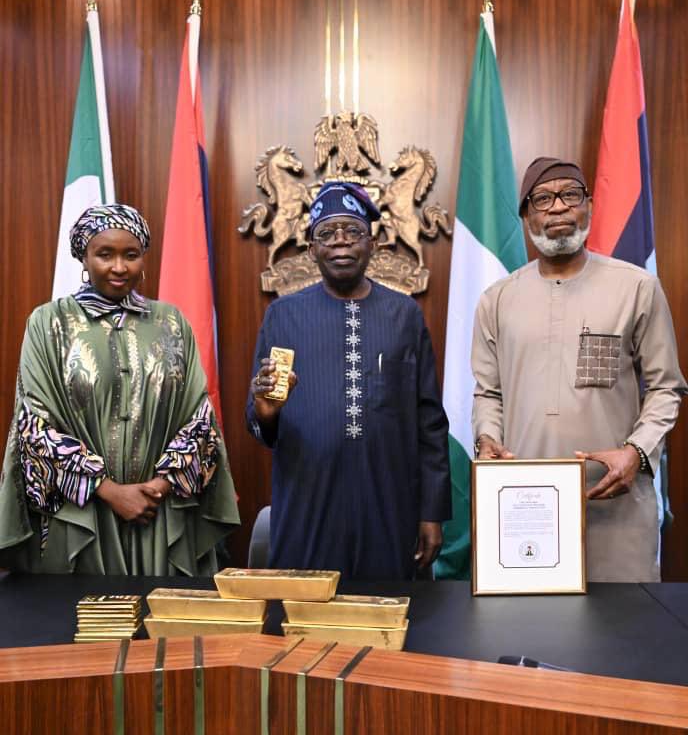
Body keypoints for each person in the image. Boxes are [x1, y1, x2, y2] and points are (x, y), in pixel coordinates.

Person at [472, 157, 687, 581]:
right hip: (525, 510)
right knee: (531, 620)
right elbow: (488, 392)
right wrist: (487, 438)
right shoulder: (496, 300)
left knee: (623, 620)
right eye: (542, 199)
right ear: (526, 215)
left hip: (614, 506)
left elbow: (667, 387)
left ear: (589, 205)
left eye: (570, 194)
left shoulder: (636, 287)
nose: (557, 207)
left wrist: (636, 452)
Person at [0, 203, 239, 574]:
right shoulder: (49, 323)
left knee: (163, 609)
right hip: (82, 514)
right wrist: (109, 491)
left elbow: (199, 418)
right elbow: (35, 423)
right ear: (83, 257)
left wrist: (159, 486)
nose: (119, 267)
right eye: (104, 254)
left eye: (131, 255)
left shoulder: (171, 322)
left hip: (160, 513)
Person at [246, 180, 451, 579]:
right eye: (327, 233)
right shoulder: (283, 316)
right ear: (312, 249)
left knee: (390, 608)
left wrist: (432, 512)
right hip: (307, 507)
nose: (340, 241)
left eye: (353, 232)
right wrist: (265, 413)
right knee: (304, 610)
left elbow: (429, 421)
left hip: (390, 506)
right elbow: (260, 424)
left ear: (373, 244)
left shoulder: (404, 315)